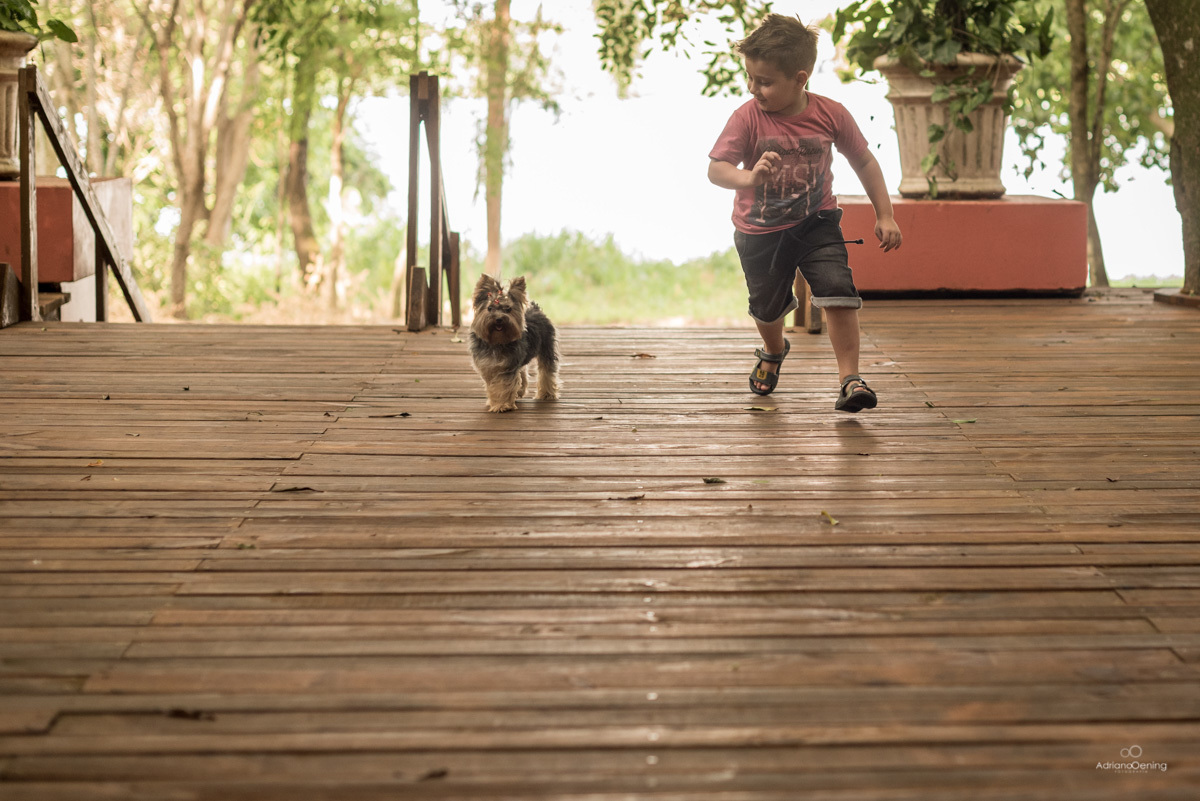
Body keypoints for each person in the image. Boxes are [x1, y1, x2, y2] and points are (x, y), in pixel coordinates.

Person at [707, 13, 902, 412]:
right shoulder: (747, 118)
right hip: (760, 231)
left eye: (764, 81)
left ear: (800, 78)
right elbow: (716, 169)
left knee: (837, 290)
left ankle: (850, 379)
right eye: (750, 78)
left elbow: (864, 162)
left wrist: (885, 215)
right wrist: (748, 178)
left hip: (818, 223)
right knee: (766, 306)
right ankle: (773, 349)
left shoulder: (831, 114)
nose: (753, 88)